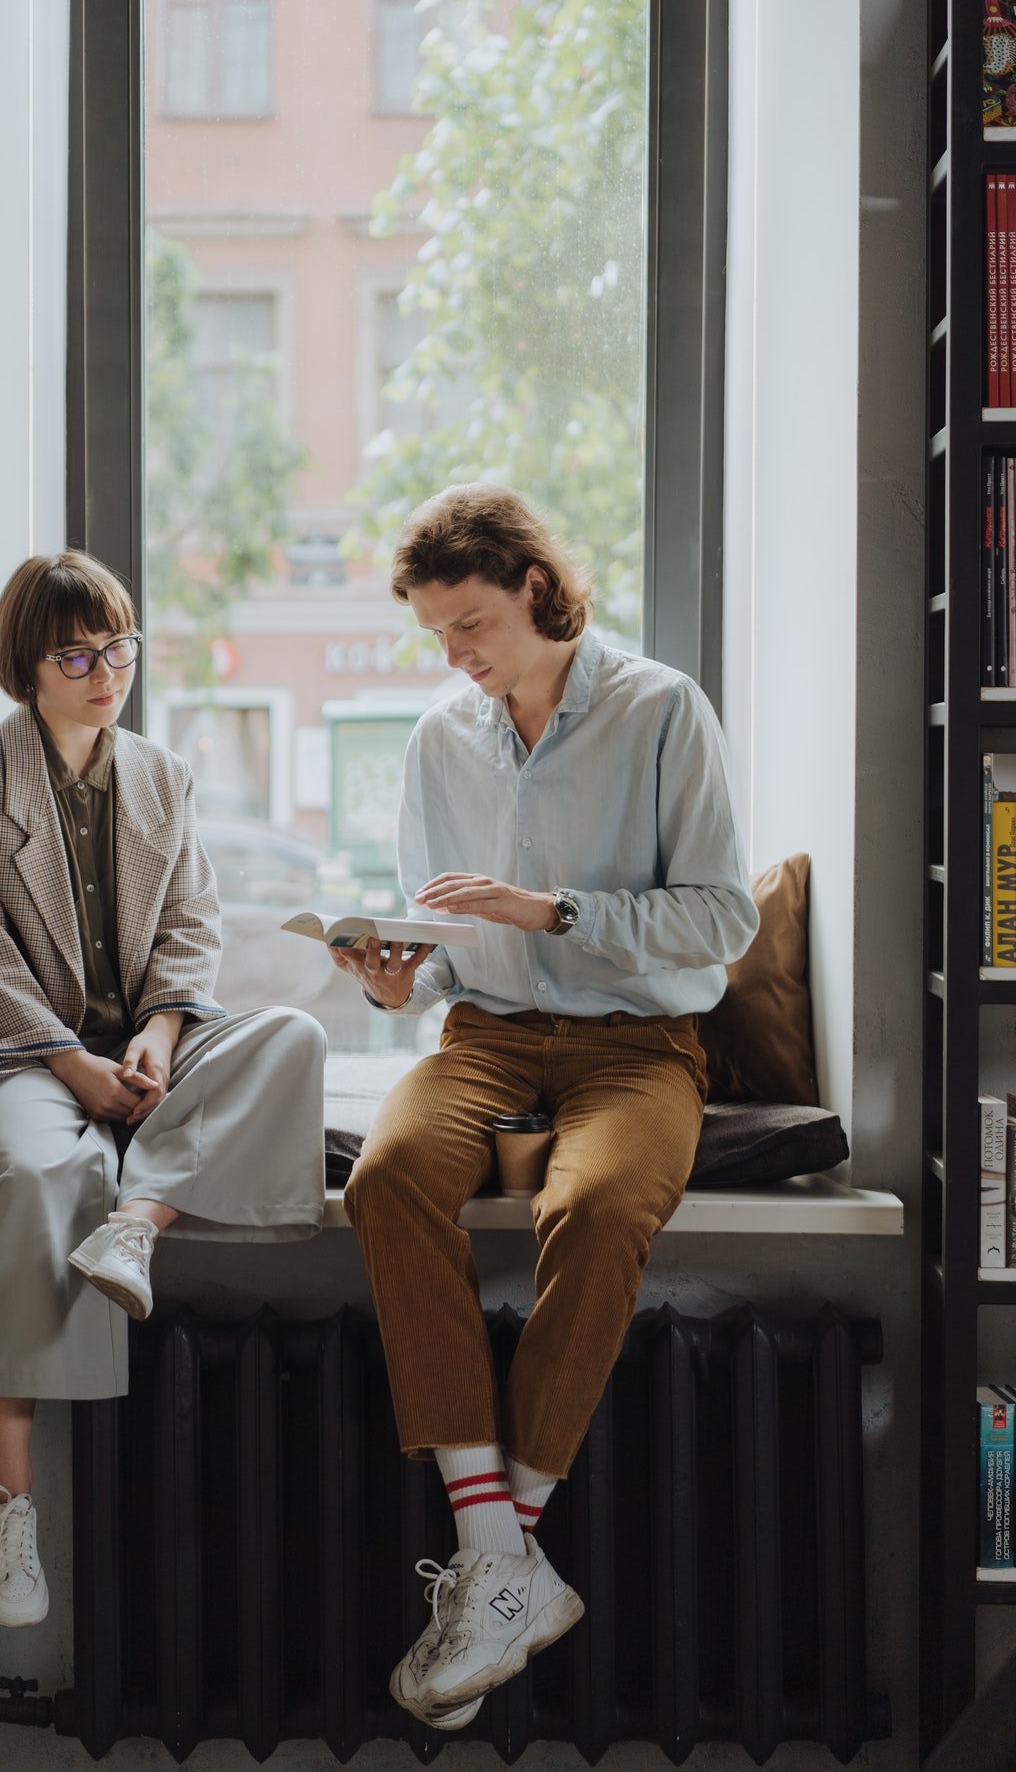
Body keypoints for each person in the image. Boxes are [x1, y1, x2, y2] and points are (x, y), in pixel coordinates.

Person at [333, 485, 758, 1729]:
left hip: (638, 1043)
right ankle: (500, 1553)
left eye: (470, 624)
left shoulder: (659, 708)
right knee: (387, 1175)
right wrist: (391, 973)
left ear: (533, 584)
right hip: (485, 1033)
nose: (456, 658)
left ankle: (496, 1563)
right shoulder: (438, 738)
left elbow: (719, 921)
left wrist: (554, 909)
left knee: (605, 1202)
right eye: (435, 637)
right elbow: (442, 937)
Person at [0, 549, 325, 1629]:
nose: (107, 671)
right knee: (41, 1172)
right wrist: (71, 1061)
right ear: (29, 666)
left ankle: (136, 1225)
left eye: (119, 646)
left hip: (143, 1037)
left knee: (287, 1038)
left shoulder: (161, 775)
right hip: (16, 1049)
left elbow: (193, 923)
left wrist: (160, 1027)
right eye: (78, 653)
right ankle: (9, 1496)